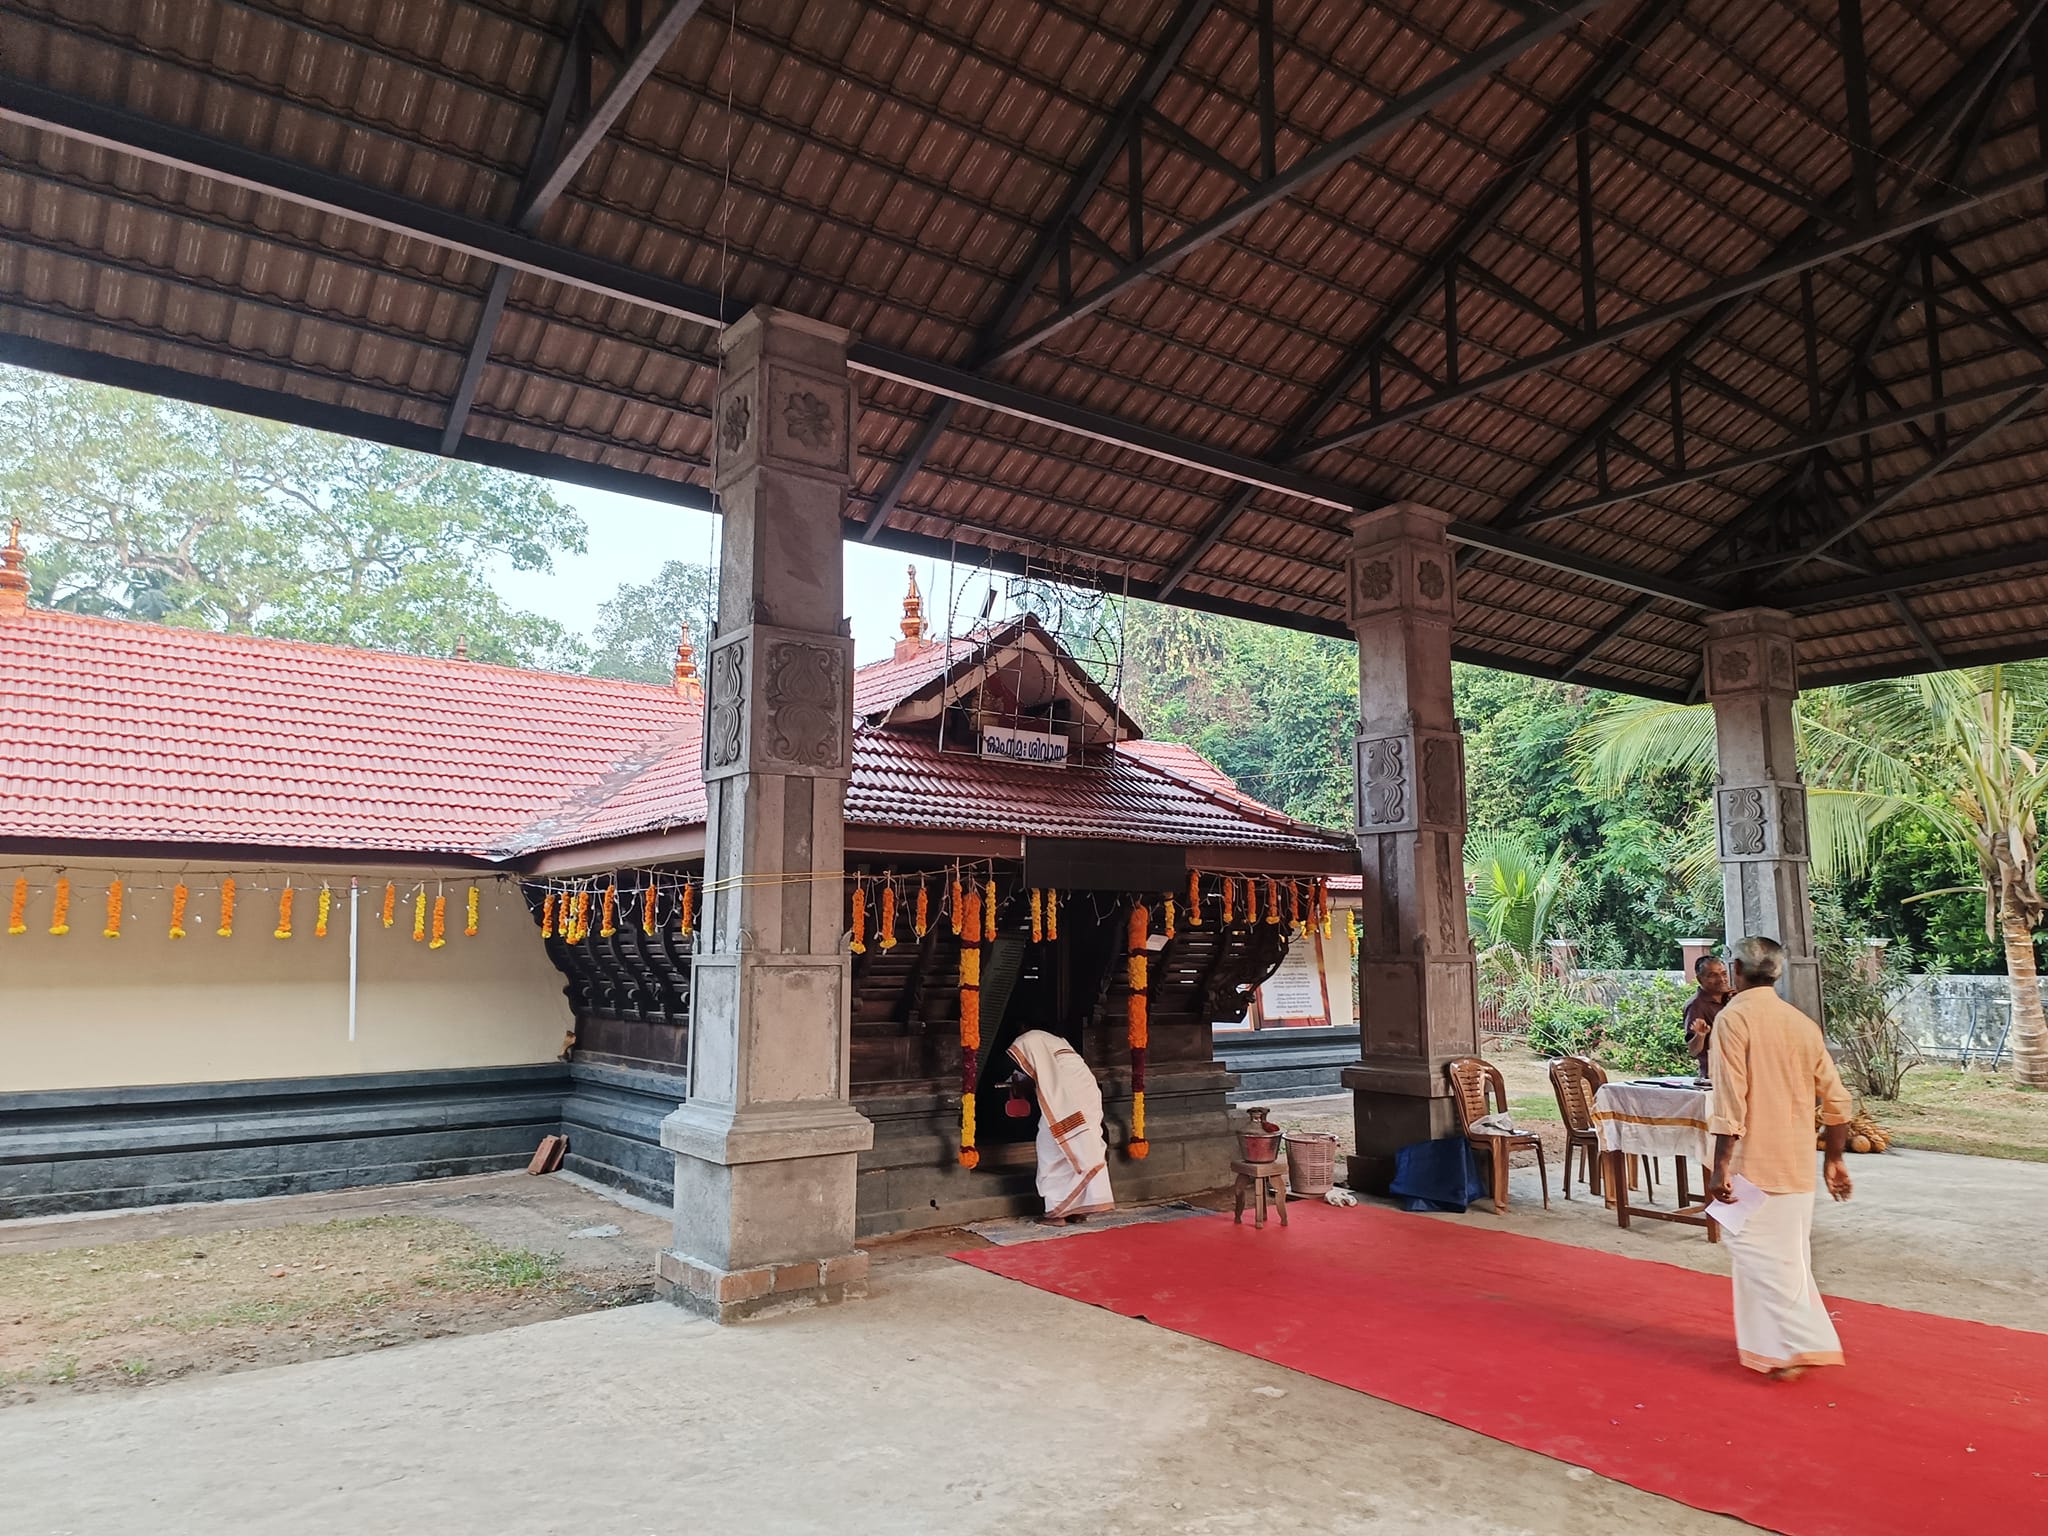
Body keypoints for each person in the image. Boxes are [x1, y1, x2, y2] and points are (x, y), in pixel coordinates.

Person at [1707, 936, 1855, 1380]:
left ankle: (1805, 1338)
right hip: (1794, 1163)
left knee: (1745, 1244)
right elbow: (1838, 1101)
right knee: (1787, 1258)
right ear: (1777, 973)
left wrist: (1720, 1166)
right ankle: (1768, 1350)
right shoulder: (1801, 1024)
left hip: (1753, 1163)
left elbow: (1731, 1101)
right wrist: (1833, 1160)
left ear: (1735, 969)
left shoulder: (1734, 1019)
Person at [1006, 1029, 1115, 1224]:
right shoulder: (1060, 1046)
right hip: (1087, 1094)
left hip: (1067, 1099)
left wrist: (1020, 1086)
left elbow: (1045, 1078)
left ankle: (1057, 1212)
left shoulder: (1032, 1040)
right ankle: (1076, 1209)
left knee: (1051, 1149)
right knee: (1080, 1144)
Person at [1684, 953, 1732, 1078]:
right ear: (1700, 979)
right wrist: (1700, 1036)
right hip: (1716, 1075)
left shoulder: (1732, 998)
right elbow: (1693, 1051)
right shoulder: (1696, 1005)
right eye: (1713, 975)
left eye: (1724, 973)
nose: (1722, 979)